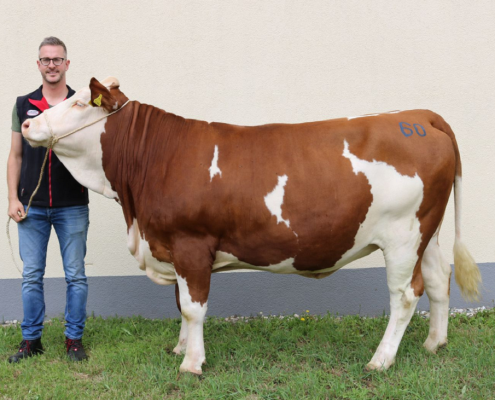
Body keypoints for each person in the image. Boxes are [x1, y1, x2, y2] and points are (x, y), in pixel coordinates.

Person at [7, 36, 90, 363]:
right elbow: (15, 156)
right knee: (31, 275)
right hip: (32, 207)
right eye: (46, 59)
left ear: (67, 64)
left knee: (76, 275)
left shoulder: (80, 105)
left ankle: (74, 340)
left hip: (72, 205)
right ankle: (31, 341)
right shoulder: (22, 104)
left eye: (58, 59)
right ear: (38, 64)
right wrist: (13, 197)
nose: (52, 65)